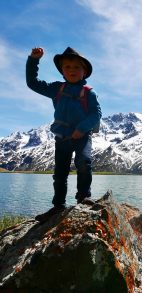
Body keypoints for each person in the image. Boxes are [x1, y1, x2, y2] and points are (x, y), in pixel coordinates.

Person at [26, 47, 102, 222]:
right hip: (62, 138)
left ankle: (83, 200)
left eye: (76, 67)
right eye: (67, 67)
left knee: (84, 164)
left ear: (84, 72)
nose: (72, 70)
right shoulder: (56, 89)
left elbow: (96, 114)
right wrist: (33, 60)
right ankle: (58, 206)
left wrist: (81, 129)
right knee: (60, 173)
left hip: (82, 137)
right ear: (62, 71)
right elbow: (32, 83)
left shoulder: (89, 92)